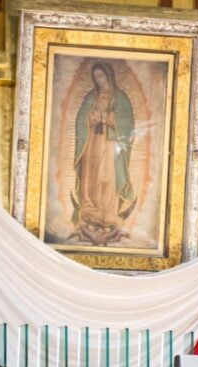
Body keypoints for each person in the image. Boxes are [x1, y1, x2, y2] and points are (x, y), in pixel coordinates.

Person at [72, 61, 136, 246]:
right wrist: (90, 118)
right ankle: (89, 208)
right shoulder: (90, 97)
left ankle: (108, 212)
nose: (99, 80)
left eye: (101, 76)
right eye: (96, 77)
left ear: (109, 75)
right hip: (92, 142)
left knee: (107, 175)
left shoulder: (121, 98)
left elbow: (128, 125)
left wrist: (109, 119)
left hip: (110, 144)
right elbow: (80, 120)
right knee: (91, 175)